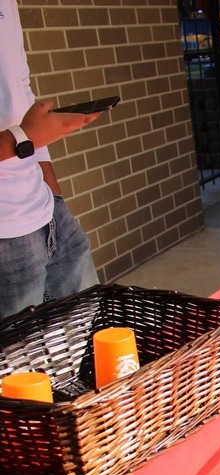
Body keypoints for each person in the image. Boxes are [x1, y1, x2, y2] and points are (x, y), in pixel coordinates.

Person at [1, 0, 105, 320]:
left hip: (47, 210)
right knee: (21, 364)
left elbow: (20, 93)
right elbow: (25, 132)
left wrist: (54, 193)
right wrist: (22, 139)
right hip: (5, 233)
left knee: (91, 342)